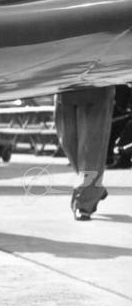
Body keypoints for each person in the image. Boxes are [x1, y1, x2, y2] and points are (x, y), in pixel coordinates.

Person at [54, 87, 115, 220]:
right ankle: (94, 188)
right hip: (65, 87)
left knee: (91, 149)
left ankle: (84, 203)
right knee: (67, 141)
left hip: (97, 87)